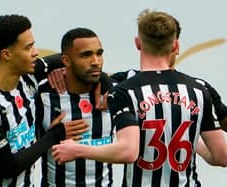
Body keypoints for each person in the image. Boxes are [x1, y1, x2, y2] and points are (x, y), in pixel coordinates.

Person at [52, 9, 227, 186]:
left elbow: (128, 151)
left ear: (137, 43)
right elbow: (222, 157)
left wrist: (77, 150)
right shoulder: (199, 90)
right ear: (175, 46)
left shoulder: (124, 91)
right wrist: (190, 140)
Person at [0, 14, 88, 187]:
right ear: (6, 55)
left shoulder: (29, 78)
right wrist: (55, 135)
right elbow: (8, 168)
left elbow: (72, 57)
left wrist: (102, 82)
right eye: (28, 47)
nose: (35, 52)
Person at [35, 28, 114, 186]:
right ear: (66, 61)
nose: (95, 61)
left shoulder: (114, 94)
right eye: (86, 55)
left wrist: (106, 81)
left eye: (99, 53)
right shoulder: (43, 94)